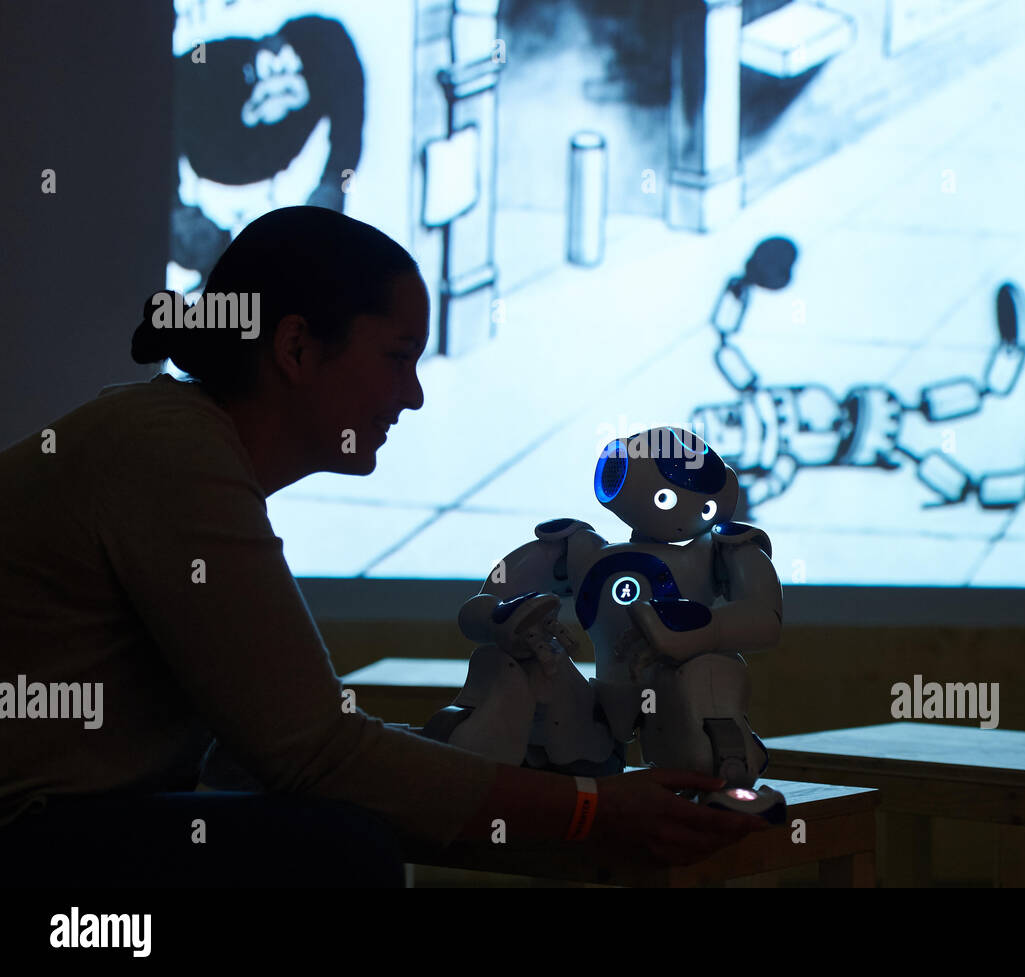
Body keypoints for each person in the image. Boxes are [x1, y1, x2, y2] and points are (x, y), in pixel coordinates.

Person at [0, 206, 766, 886]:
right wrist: (590, 809)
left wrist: (498, 774)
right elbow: (314, 753)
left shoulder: (173, 440)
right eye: (398, 357)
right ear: (296, 348)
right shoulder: (170, 454)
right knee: (337, 848)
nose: (414, 394)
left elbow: (274, 745)